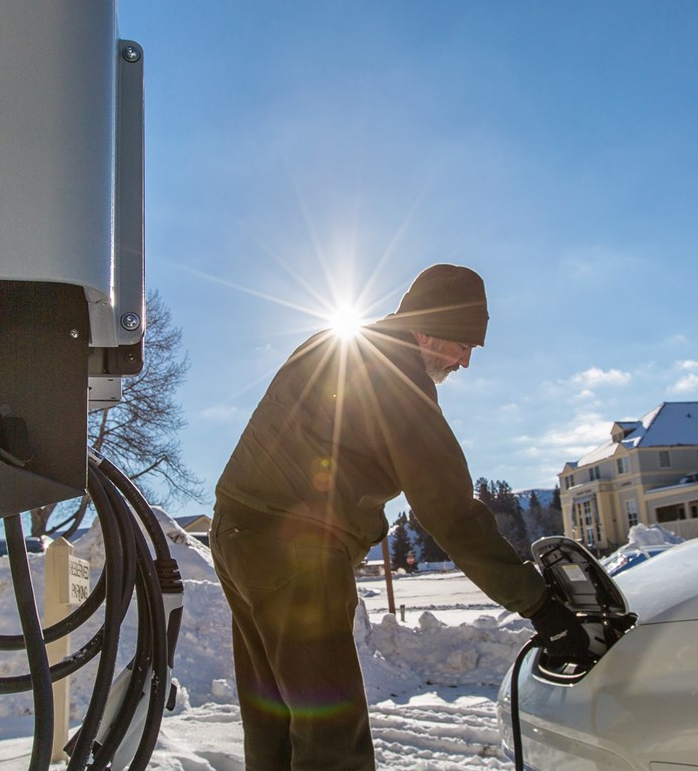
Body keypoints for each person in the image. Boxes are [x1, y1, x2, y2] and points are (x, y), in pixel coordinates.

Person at [210, 263, 588, 771]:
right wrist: (539, 606)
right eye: (463, 345)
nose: (465, 362)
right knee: (330, 733)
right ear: (430, 329)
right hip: (296, 551)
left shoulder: (335, 344)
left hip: (238, 536)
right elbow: (449, 509)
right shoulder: (396, 375)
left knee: (275, 718)